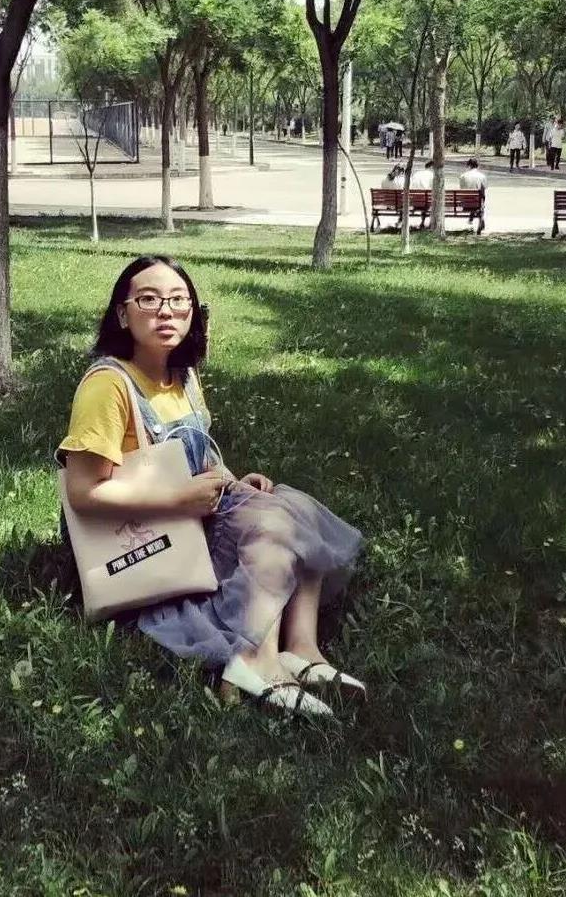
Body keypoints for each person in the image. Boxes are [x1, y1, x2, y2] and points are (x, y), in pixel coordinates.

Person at [57, 256, 366, 716]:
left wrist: (232, 481)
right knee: (273, 526)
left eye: (178, 300)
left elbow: (194, 452)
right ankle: (256, 661)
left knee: (293, 505)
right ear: (123, 314)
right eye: (149, 299)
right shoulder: (108, 385)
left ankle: (302, 650)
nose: (166, 311)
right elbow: (83, 492)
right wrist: (180, 500)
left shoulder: (181, 375)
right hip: (148, 530)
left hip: (192, 509)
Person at [459, 157, 487, 234]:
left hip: (465, 203)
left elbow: (462, 189)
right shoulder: (482, 176)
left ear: (469, 165)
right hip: (477, 203)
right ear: (477, 165)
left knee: (471, 198)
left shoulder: (463, 176)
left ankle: (471, 218)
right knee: (480, 200)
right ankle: (479, 219)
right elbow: (483, 191)